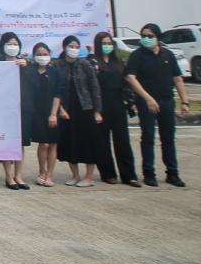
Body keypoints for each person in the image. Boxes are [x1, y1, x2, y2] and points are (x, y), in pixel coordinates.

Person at [125, 23, 190, 187]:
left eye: (149, 36)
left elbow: (177, 79)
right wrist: (148, 98)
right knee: (147, 137)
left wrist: (185, 101)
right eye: (143, 36)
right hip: (146, 102)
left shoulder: (167, 55)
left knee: (168, 138)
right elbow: (131, 78)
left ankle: (172, 173)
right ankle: (149, 173)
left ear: (157, 37)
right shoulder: (137, 55)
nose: (146, 39)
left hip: (167, 101)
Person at [51, 35, 102, 187]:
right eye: (71, 46)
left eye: (76, 47)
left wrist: (97, 111)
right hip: (66, 109)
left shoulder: (85, 64)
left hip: (85, 108)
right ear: (64, 47)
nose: (74, 49)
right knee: (69, 142)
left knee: (88, 142)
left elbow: (95, 88)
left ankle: (89, 176)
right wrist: (60, 109)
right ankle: (75, 175)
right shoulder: (57, 65)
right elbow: (54, 90)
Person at [91, 31, 139, 187]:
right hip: (101, 106)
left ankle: (129, 175)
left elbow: (127, 83)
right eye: (104, 44)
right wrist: (95, 110)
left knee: (123, 141)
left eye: (109, 43)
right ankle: (108, 174)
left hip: (118, 105)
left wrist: (130, 102)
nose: (107, 46)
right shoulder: (93, 62)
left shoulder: (118, 62)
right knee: (102, 143)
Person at [0, 32, 30, 190]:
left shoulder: (25, 65)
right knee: (7, 142)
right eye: (9, 43)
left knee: (20, 143)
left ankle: (19, 175)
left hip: (21, 108)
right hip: (4, 109)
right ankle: (9, 176)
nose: (12, 47)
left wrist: (26, 66)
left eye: (15, 44)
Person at [25, 42, 59, 186]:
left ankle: (50, 174)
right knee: (42, 144)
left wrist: (54, 114)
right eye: (39, 54)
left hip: (51, 112)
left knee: (52, 144)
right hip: (36, 112)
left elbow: (58, 94)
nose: (42, 56)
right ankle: (42, 171)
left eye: (45, 54)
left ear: (50, 56)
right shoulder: (30, 71)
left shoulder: (54, 72)